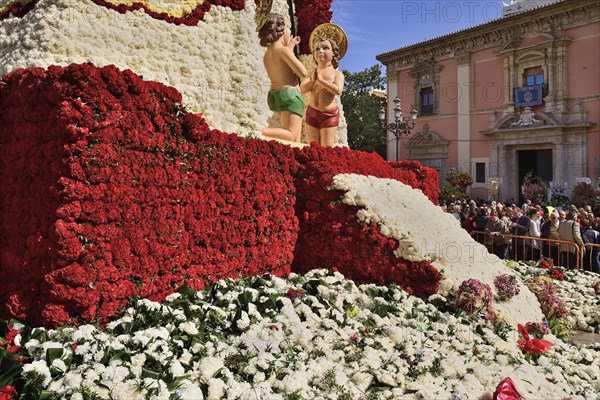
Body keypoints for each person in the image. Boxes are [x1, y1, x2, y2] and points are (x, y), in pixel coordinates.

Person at [259, 13, 308, 142]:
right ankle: (258, 131)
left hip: (275, 95)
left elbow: (282, 65)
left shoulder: (267, 55)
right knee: (290, 133)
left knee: (295, 140)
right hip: (289, 94)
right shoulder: (283, 51)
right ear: (280, 30)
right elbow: (303, 72)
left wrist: (291, 45)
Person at [301, 34, 344, 147]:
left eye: (325, 48)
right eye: (317, 49)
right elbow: (302, 89)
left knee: (327, 148)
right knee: (313, 147)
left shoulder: (337, 74)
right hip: (312, 112)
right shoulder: (311, 73)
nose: (320, 51)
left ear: (333, 52)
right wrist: (312, 81)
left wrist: (322, 81)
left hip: (329, 114)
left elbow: (338, 90)